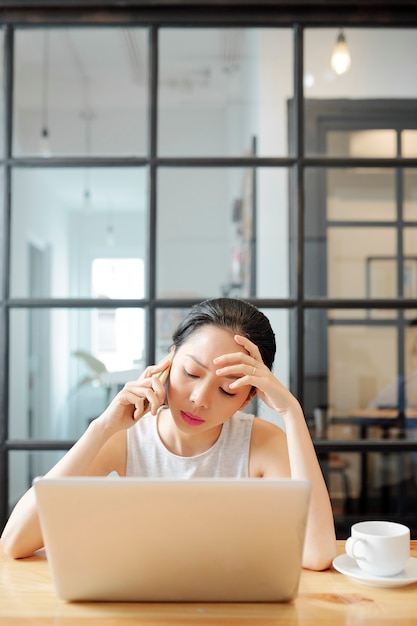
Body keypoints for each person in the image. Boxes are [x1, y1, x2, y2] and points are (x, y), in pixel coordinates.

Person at [1, 297, 336, 570]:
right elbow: (15, 542)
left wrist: (291, 412)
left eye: (227, 391)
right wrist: (101, 427)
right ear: (169, 361)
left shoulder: (262, 444)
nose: (199, 399)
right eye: (191, 372)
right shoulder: (125, 438)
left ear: (249, 398)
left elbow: (317, 552)